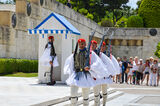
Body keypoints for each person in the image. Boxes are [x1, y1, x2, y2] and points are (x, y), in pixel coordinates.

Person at [64, 39, 110, 106]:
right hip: (76, 75)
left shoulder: (91, 53)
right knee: (73, 97)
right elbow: (71, 64)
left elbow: (97, 63)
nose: (81, 45)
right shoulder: (75, 53)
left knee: (85, 98)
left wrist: (90, 68)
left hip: (86, 75)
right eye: (80, 44)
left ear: (85, 44)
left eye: (82, 44)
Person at [91, 41, 116, 106]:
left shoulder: (106, 55)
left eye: (103, 46)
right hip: (96, 76)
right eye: (91, 45)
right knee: (96, 94)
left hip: (105, 76)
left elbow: (110, 64)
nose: (102, 47)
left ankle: (104, 104)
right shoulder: (92, 53)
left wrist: (110, 73)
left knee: (104, 92)